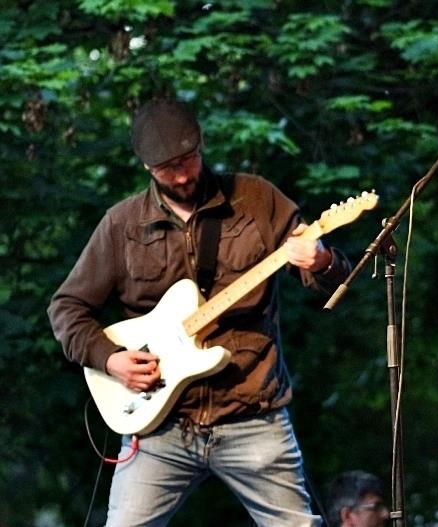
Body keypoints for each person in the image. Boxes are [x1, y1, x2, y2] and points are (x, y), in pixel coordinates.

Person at [47, 98, 351, 526]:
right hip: (159, 425)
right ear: (147, 167)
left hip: (253, 412)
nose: (182, 175)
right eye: (167, 168)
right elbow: (66, 308)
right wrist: (109, 358)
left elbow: (333, 283)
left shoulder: (257, 199)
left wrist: (320, 261)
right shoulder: (122, 224)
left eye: (189, 159)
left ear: (202, 144)